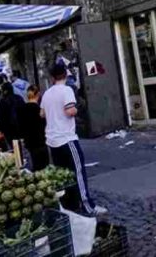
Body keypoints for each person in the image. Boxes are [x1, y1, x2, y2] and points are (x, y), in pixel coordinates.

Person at [41, 62, 104, 216]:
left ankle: (69, 206)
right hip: (66, 138)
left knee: (63, 176)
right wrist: (77, 108)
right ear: (65, 74)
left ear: (52, 77)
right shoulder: (66, 90)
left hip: (52, 141)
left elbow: (41, 114)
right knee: (78, 172)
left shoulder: (47, 93)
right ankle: (87, 206)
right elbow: (70, 111)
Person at [22, 85, 49, 171]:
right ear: (38, 94)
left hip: (29, 142)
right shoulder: (39, 109)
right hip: (40, 140)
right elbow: (45, 124)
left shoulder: (23, 109)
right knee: (45, 166)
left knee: (35, 164)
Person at [0, 82, 22, 147]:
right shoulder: (18, 98)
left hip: (9, 131)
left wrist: (0, 130)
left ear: (5, 91)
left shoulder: (2, 102)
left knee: (14, 147)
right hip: (20, 128)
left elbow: (0, 118)